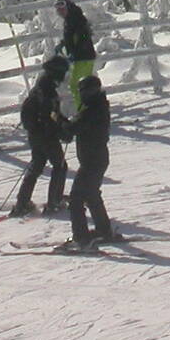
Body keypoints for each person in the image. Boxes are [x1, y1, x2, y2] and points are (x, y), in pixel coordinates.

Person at [58, 73, 115, 251]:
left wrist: (58, 118)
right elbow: (73, 129)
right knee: (91, 194)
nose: (81, 95)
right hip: (96, 158)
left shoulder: (92, 110)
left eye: (82, 91)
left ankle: (81, 239)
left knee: (76, 198)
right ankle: (104, 230)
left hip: (92, 160)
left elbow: (73, 128)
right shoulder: (97, 106)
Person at [10, 56, 69, 217]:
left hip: (35, 133)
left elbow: (53, 115)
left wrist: (64, 124)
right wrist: (61, 131)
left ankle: (22, 202)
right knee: (60, 166)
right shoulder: (48, 91)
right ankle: (54, 201)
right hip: (46, 135)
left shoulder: (41, 87)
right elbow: (49, 116)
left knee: (37, 164)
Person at [54, 0, 97, 113]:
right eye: (58, 8)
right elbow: (72, 36)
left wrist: (75, 53)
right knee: (82, 85)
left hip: (83, 57)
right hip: (81, 57)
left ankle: (85, 112)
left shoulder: (76, 19)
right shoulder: (70, 19)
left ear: (68, 5)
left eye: (62, 7)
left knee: (76, 85)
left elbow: (82, 37)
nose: (60, 11)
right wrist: (63, 44)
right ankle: (88, 111)